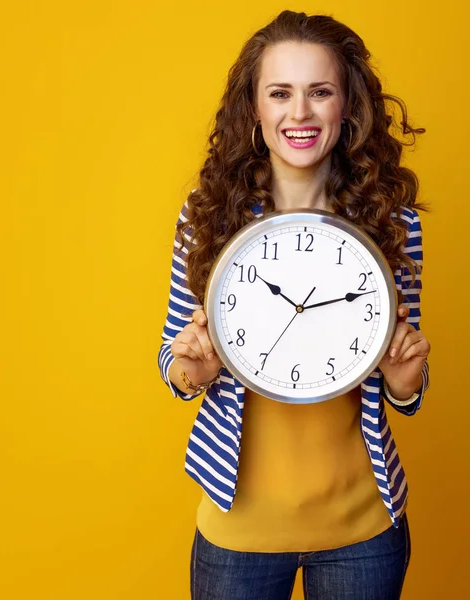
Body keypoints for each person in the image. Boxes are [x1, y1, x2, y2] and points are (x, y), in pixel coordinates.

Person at [156, 10, 431, 600]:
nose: (299, 113)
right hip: (238, 532)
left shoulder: (392, 224)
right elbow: (172, 356)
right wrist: (190, 370)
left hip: (364, 532)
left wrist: (408, 383)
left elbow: (400, 375)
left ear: (348, 107)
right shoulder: (206, 219)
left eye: (320, 92)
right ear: (253, 110)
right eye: (280, 93)